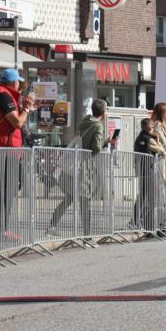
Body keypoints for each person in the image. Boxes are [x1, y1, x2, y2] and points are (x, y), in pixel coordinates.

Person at [48, 99, 117, 234]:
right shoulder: (98, 126)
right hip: (83, 168)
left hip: (72, 165)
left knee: (68, 198)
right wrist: (107, 141)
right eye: (107, 109)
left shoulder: (84, 122)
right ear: (103, 112)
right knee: (84, 200)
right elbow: (95, 147)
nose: (107, 112)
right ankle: (86, 235)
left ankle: (51, 226)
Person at [0, 68, 35, 241]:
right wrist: (27, 110)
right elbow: (17, 122)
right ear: (13, 82)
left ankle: (0, 229)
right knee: (7, 190)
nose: (20, 85)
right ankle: (1, 230)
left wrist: (24, 106)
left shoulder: (0, 94)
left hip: (5, 149)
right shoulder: (3, 96)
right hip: (5, 150)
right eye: (18, 82)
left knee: (9, 188)